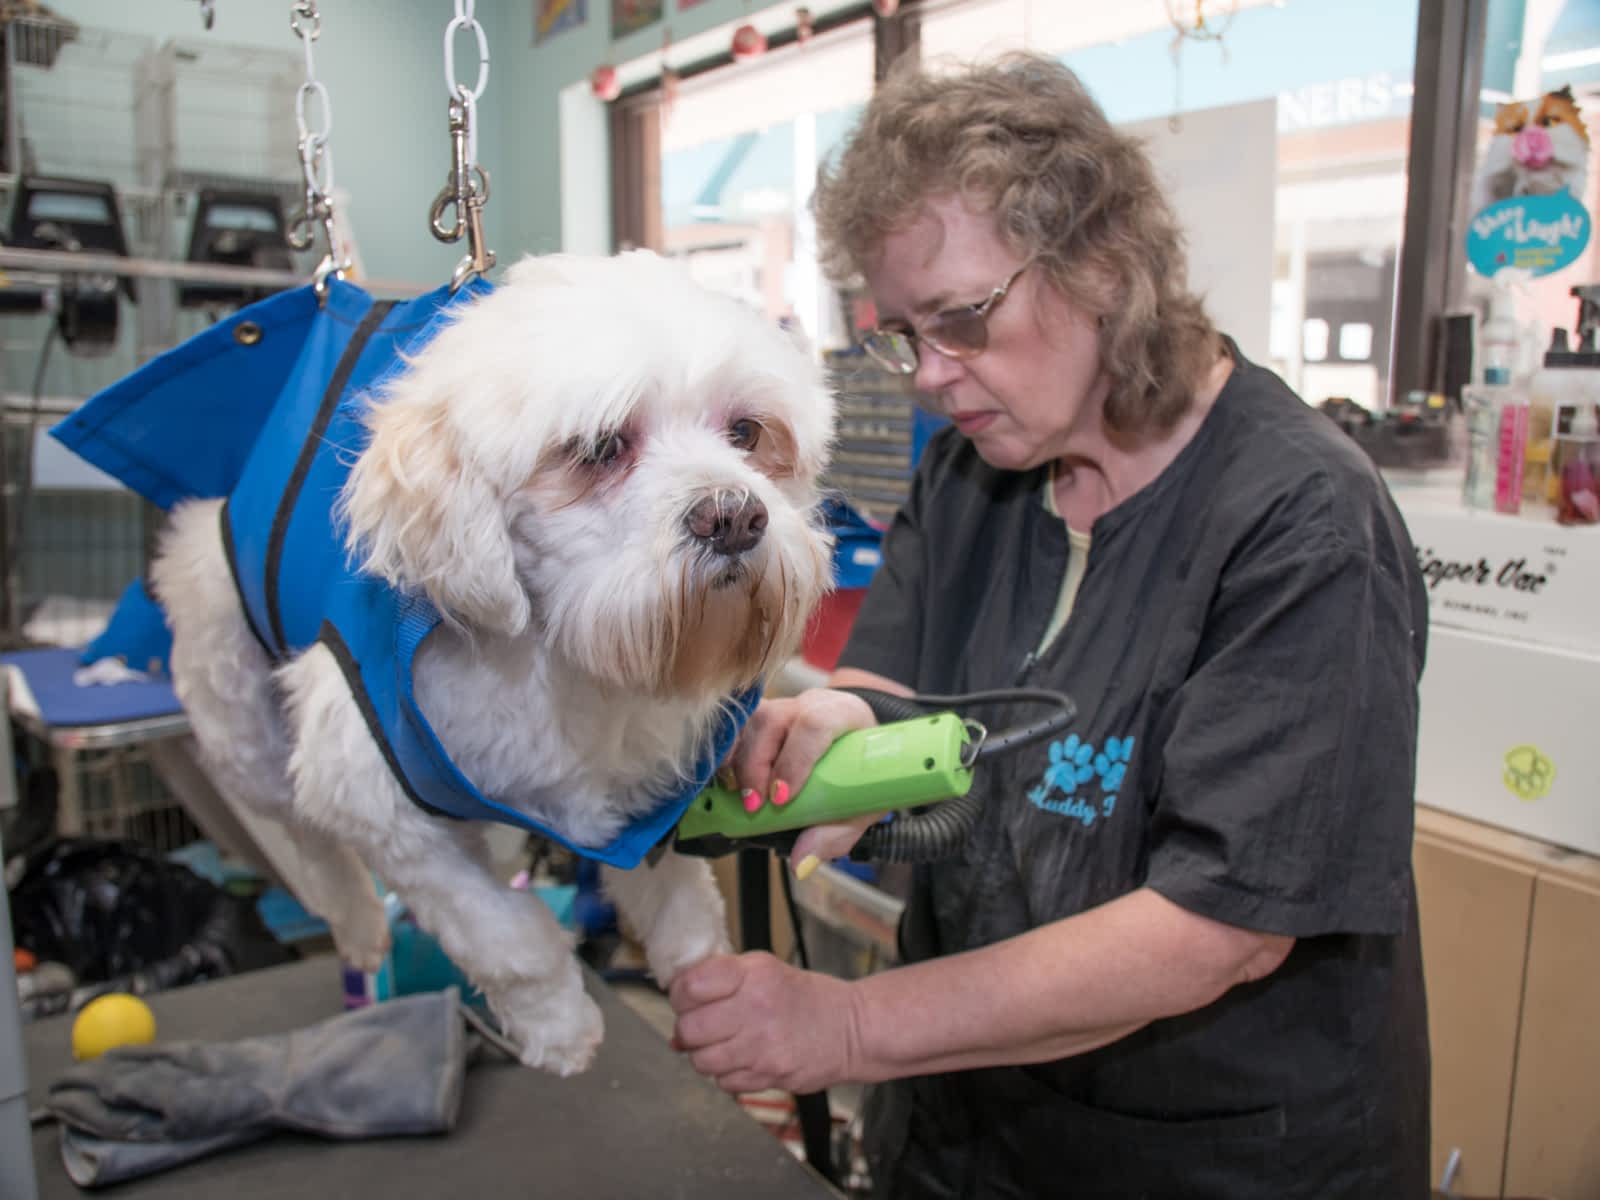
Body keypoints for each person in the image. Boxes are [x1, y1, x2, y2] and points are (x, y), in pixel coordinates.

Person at [668, 51, 1430, 1199]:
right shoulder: (974, 472)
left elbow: (1219, 928)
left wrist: (852, 1026)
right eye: (903, 333)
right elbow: (895, 689)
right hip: (967, 1115)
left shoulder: (1300, 520)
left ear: (1102, 262)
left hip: (1202, 1151)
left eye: (961, 320)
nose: (929, 375)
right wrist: (839, 724)